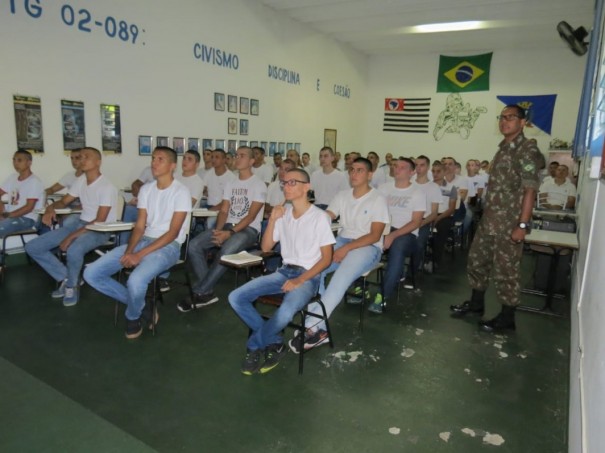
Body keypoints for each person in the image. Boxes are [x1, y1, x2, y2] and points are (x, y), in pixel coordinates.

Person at [228, 168, 335, 374]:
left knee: (285, 311)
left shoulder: (319, 217)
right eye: (284, 183)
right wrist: (273, 220)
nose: (286, 186)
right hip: (283, 272)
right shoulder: (283, 214)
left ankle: (254, 345)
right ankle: (275, 341)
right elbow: (266, 248)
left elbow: (327, 259)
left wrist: (300, 280)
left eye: (292, 182)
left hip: (307, 277)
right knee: (236, 297)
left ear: (307, 187)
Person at [450, 105, 543, 332]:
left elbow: (530, 190)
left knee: (506, 270)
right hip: (490, 220)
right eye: (501, 117)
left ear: (523, 122)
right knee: (477, 261)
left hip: (509, 224)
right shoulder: (503, 148)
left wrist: (522, 224)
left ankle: (507, 318)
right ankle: (476, 304)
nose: (504, 121)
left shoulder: (527, 150)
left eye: (511, 117)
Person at [84, 147, 191, 339]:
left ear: (172, 166)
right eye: (153, 158)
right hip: (143, 241)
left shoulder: (181, 192)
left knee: (135, 280)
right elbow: (140, 226)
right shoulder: (146, 189)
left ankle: (133, 316)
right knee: (91, 273)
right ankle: (143, 305)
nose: (154, 163)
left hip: (169, 246)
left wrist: (138, 255)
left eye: (160, 159)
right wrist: (130, 250)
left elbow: (173, 232)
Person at [289, 157, 389, 352]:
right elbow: (327, 216)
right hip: (344, 241)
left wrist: (346, 248)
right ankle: (320, 328)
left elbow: (375, 235)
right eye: (351, 170)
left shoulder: (378, 199)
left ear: (370, 175)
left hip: (369, 247)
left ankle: (310, 325)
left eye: (359, 170)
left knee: (339, 279)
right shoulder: (343, 195)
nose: (353, 173)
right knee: (316, 269)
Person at [25, 147, 118, 307]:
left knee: (74, 249)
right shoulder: (81, 181)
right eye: (80, 157)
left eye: (86, 157)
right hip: (80, 224)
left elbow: (99, 220)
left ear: (98, 162)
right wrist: (50, 208)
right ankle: (66, 277)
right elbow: (64, 201)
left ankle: (71, 286)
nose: (81, 160)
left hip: (101, 230)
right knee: (33, 246)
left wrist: (71, 236)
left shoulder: (106, 187)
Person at [178, 146, 267, 311]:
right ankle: (208, 290)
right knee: (194, 245)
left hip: (248, 230)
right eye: (236, 155)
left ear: (251, 161)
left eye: (242, 155)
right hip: (227, 226)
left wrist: (229, 233)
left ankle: (199, 291)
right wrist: (218, 231)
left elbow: (250, 217)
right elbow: (224, 210)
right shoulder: (231, 183)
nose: (237, 158)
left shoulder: (259, 185)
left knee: (225, 251)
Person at [370, 157, 425, 313]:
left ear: (412, 172)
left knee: (398, 248)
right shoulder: (383, 188)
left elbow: (416, 222)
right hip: (385, 229)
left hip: (407, 234)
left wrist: (392, 236)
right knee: (363, 243)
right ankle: (360, 287)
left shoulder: (417, 193)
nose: (397, 169)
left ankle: (382, 296)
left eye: (402, 167)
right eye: (395, 166)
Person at [0, 150, 45, 265]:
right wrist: (2, 210)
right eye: (14, 160)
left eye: (19, 160)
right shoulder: (12, 178)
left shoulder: (34, 182)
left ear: (29, 162)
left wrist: (6, 216)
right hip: (11, 216)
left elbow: (29, 208)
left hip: (27, 219)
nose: (15, 163)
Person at [411, 155, 441, 273]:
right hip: (406, 219)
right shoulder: (409, 183)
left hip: (423, 221)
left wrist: (419, 223)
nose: (418, 168)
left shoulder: (433, 187)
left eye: (422, 165)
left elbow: (434, 213)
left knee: (418, 244)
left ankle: (411, 273)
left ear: (427, 167)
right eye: (416, 165)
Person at [431, 161, 457, 268]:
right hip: (429, 214)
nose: (435, 173)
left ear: (444, 172)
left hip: (444, 215)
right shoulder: (428, 186)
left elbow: (451, 209)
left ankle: (435, 260)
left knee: (442, 228)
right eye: (433, 171)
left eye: (438, 171)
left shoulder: (451, 188)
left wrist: (437, 218)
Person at [204, 149, 236, 230]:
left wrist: (211, 210)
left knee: (210, 222)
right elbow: (204, 190)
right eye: (212, 157)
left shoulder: (231, 177)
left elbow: (229, 201)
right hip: (209, 206)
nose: (213, 159)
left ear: (224, 160)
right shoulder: (208, 174)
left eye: (217, 157)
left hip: (223, 210)